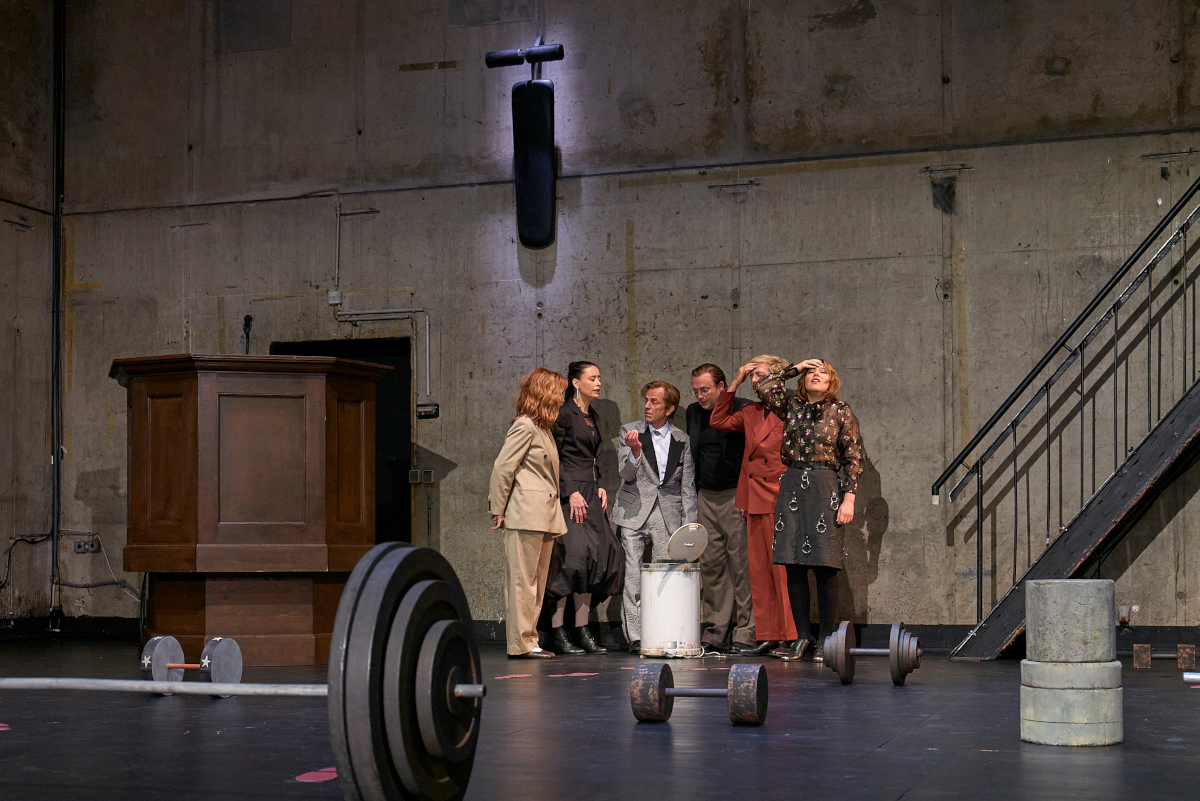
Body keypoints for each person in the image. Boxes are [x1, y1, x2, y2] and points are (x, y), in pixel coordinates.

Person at [753, 358, 865, 662]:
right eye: (811, 372)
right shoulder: (791, 406)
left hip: (825, 485)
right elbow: (764, 387)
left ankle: (826, 638)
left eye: (822, 372)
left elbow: (854, 456)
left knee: (826, 565)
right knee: (793, 564)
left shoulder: (840, 411)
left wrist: (849, 498)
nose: (816, 375)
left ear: (831, 381)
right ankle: (803, 636)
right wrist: (795, 368)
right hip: (793, 484)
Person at [710, 355, 799, 656]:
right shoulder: (750, 411)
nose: (754, 380)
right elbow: (718, 420)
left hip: (780, 497)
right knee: (759, 572)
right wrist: (734, 382)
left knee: (782, 571)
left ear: (777, 378)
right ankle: (769, 634)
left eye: (759, 375)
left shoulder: (791, 408)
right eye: (752, 376)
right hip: (754, 498)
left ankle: (790, 635)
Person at [488, 367, 570, 659]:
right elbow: (503, 467)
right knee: (522, 583)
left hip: (543, 515)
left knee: (535, 584)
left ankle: (530, 640)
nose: (563, 399)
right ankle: (521, 643)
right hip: (525, 514)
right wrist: (498, 508)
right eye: (559, 393)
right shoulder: (524, 426)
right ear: (545, 394)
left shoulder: (542, 428)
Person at [612, 380, 697, 654]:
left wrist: (690, 526)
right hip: (634, 511)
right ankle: (635, 636)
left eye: (654, 402)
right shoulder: (630, 431)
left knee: (665, 577)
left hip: (667, 514)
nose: (647, 406)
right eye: (646, 400)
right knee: (633, 576)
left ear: (669, 408)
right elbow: (626, 474)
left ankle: (662, 631)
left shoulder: (682, 439)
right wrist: (635, 452)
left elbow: (687, 486)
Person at [546, 361, 625, 654]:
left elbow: (593, 459)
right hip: (571, 495)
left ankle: (582, 628)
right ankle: (557, 630)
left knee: (597, 559)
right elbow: (553, 457)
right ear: (576, 383)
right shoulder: (564, 413)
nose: (599, 383)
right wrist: (569, 492)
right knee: (571, 561)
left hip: (591, 493)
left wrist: (600, 484)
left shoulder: (593, 415)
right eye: (592, 378)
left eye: (599, 378)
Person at [686, 364, 758, 655]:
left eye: (705, 390)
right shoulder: (693, 412)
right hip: (706, 496)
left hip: (735, 496)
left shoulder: (743, 408)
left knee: (741, 566)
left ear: (721, 386)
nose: (700, 396)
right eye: (696, 391)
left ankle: (747, 632)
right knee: (712, 566)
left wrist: (747, 498)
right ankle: (716, 632)